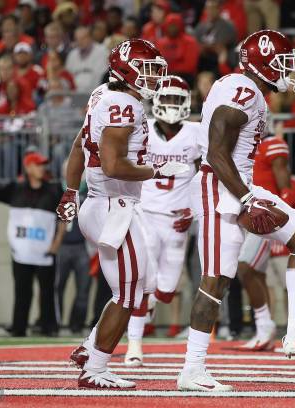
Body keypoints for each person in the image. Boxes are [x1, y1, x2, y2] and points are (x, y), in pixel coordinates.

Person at [177, 30, 295, 392]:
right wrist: (246, 198)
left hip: (239, 183)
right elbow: (217, 152)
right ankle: (192, 369)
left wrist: (248, 193)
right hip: (220, 185)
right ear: (263, 63)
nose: (289, 70)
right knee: (215, 281)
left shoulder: (244, 88)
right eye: (283, 62)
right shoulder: (245, 91)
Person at [57, 39, 185, 388]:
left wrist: (70, 190)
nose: (156, 76)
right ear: (126, 69)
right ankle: (95, 368)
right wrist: (155, 171)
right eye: (149, 69)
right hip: (112, 205)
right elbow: (113, 165)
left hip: (105, 203)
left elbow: (77, 145)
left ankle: (88, 349)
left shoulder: (103, 94)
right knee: (129, 294)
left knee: (135, 286)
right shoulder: (123, 104)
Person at [124, 76, 201, 366]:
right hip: (144, 214)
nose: (170, 104)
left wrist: (193, 211)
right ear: (155, 101)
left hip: (177, 222)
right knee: (143, 280)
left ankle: (151, 304)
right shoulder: (141, 129)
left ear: (186, 103)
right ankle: (134, 345)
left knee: (166, 292)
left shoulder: (196, 133)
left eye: (176, 100)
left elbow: (208, 176)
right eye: (166, 98)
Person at [235, 131, 295, 351]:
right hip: (246, 214)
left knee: (245, 266)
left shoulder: (271, 144)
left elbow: (285, 186)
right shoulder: (240, 144)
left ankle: (265, 324)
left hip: (264, 216)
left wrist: (280, 220)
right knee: (255, 272)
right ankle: (265, 329)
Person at [0, 151, 66, 337]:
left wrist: (57, 242)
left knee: (47, 292)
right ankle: (19, 327)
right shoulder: (15, 189)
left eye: (43, 164)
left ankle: (48, 326)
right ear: (28, 167)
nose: (42, 168)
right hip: (21, 251)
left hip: (45, 251)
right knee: (22, 291)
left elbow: (62, 218)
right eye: (37, 164)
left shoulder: (54, 190)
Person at [55, 161, 91, 335]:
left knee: (83, 289)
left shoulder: (90, 192)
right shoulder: (57, 190)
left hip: (82, 246)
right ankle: (55, 322)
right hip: (62, 246)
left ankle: (77, 323)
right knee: (57, 287)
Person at [65, 26, 109, 92]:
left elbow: (101, 76)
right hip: (74, 94)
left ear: (90, 37)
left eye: (83, 38)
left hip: (95, 93)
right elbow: (68, 76)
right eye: (77, 39)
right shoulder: (72, 54)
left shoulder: (102, 51)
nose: (80, 41)